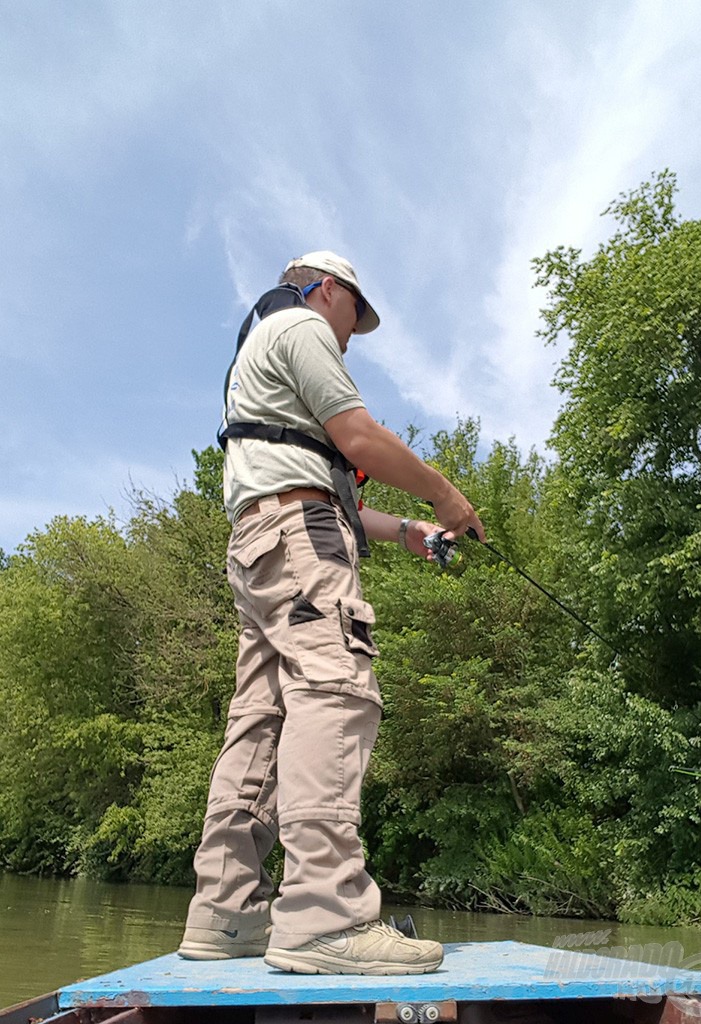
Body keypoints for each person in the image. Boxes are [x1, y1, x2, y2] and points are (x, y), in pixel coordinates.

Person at [178, 251, 485, 975]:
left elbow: (320, 479)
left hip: (263, 545)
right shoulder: (302, 326)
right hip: (298, 542)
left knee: (260, 721)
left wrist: (407, 531)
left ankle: (227, 915)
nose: (352, 334)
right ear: (327, 289)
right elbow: (358, 439)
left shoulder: (261, 345)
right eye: (355, 315)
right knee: (337, 691)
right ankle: (325, 916)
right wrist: (445, 497)